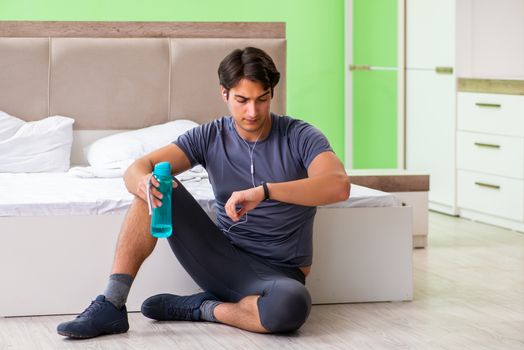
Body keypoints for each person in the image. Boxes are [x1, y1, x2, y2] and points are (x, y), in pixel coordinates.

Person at [57, 47, 350, 339]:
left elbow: (338, 186)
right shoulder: (210, 136)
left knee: (291, 307)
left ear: (271, 93)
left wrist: (265, 192)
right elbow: (139, 166)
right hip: (221, 258)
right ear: (224, 93)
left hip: (280, 274)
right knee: (155, 183)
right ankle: (112, 302)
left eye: (262, 99)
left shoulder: (300, 136)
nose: (252, 111)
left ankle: (203, 308)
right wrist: (143, 183)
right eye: (242, 100)